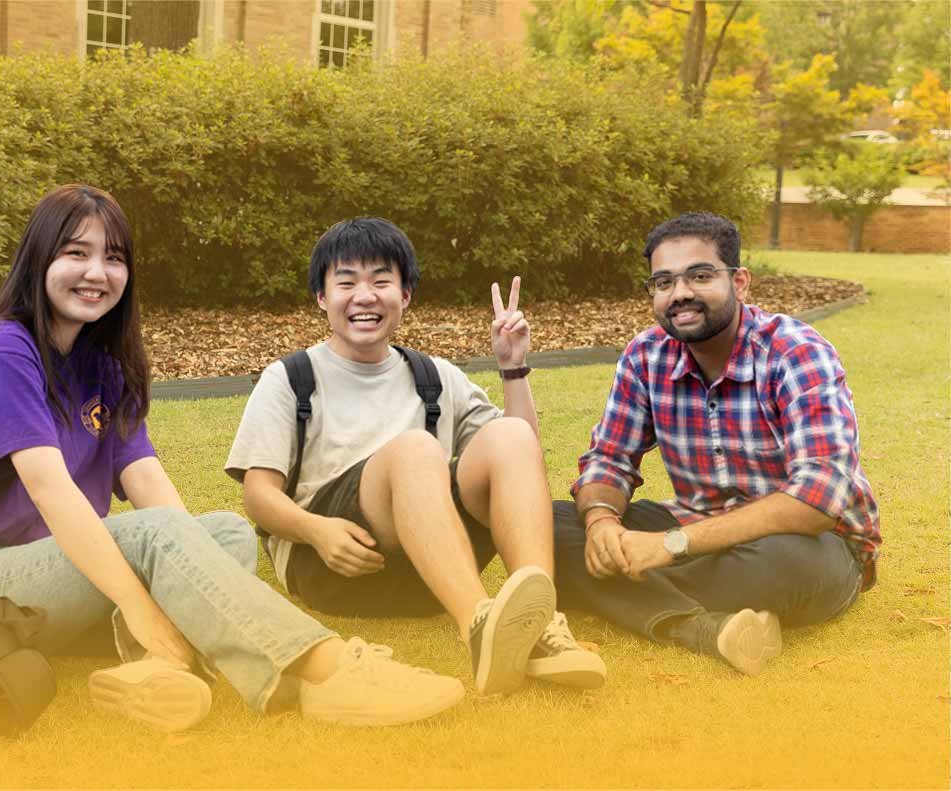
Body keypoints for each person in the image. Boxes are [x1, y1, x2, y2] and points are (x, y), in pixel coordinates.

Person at [0, 185, 466, 731]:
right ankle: (322, 670)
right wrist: (141, 605)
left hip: (60, 584)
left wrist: (179, 558)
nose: (96, 272)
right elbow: (51, 491)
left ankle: (160, 667)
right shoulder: (6, 348)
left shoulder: (101, 363)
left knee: (223, 533)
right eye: (76, 252)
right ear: (39, 258)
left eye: (113, 258)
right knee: (159, 535)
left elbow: (147, 480)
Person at [226, 217, 606, 695]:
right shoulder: (290, 378)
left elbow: (518, 457)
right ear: (322, 297)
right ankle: (479, 625)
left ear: (404, 296)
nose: (365, 296)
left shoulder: (435, 376)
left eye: (382, 281)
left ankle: (541, 624)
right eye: (346, 281)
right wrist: (316, 531)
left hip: (430, 574)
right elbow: (258, 496)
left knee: (507, 434)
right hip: (333, 562)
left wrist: (513, 369)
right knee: (416, 447)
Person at [553, 212, 881, 676]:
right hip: (701, 525)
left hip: (810, 547)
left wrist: (670, 545)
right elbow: (609, 459)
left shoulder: (795, 351)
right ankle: (695, 627)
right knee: (545, 525)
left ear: (740, 282)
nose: (680, 293)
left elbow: (818, 499)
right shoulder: (645, 355)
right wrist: (601, 524)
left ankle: (620, 590)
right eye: (663, 282)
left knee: (782, 563)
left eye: (700, 276)